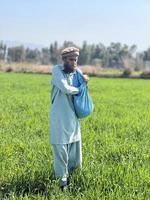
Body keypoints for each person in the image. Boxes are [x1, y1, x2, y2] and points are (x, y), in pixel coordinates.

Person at [49, 47, 89, 191]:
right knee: (60, 148)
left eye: (76, 59)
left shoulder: (76, 72)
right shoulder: (56, 70)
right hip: (59, 118)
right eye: (71, 59)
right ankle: (62, 183)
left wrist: (85, 80)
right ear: (64, 60)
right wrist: (80, 88)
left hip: (73, 117)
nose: (74, 62)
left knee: (75, 150)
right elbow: (65, 88)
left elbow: (84, 80)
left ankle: (76, 179)